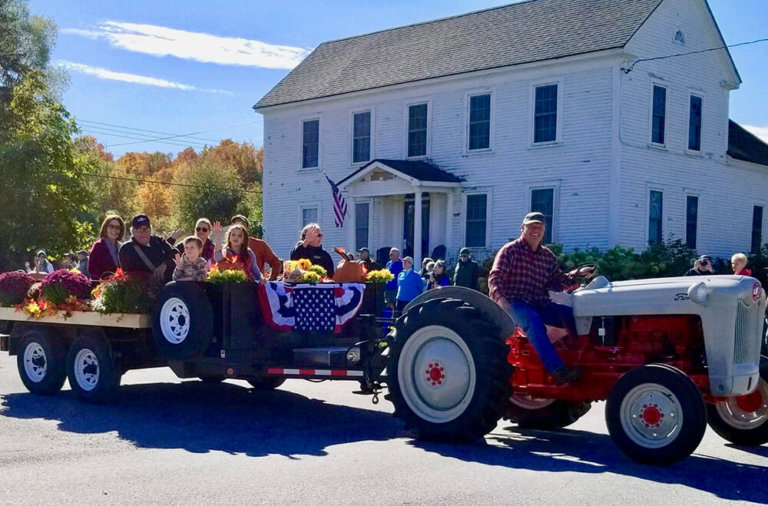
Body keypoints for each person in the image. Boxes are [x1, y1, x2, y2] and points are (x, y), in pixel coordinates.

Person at [487, 212, 590, 385]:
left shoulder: (547, 256)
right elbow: (495, 278)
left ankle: (580, 359)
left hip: (540, 304)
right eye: (531, 227)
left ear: (544, 230)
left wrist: (578, 274)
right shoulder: (510, 251)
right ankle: (558, 371)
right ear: (522, 228)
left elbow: (557, 281)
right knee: (533, 321)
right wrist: (501, 300)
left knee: (576, 316)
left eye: (539, 227)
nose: (535, 230)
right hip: (514, 303)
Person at [119, 214, 176, 282]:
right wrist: (150, 276)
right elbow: (129, 275)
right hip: (146, 289)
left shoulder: (158, 240)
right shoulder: (126, 249)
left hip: (170, 284)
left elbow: (175, 253)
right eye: (140, 230)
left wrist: (165, 265)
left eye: (146, 229)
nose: (143, 233)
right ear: (133, 231)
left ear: (150, 230)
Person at [231, 215, 282, 280]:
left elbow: (276, 263)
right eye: (235, 225)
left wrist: (270, 280)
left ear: (247, 228)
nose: (239, 228)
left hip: (255, 286)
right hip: (232, 286)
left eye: (242, 225)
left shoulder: (260, 245)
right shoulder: (226, 249)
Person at [88, 214, 125, 280]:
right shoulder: (99, 246)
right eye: (111, 227)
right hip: (102, 287)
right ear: (105, 228)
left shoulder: (122, 247)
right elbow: (92, 271)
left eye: (117, 227)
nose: (114, 230)